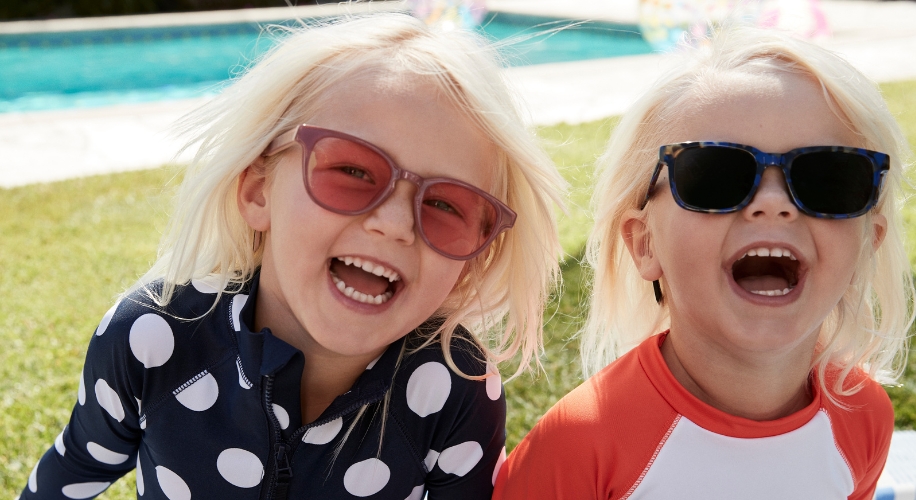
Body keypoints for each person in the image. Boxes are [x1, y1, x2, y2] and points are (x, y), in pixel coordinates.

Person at [22, 13, 564, 500]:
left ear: (473, 258)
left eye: (448, 204)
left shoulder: (451, 389)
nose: (395, 224)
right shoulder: (152, 337)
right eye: (352, 171)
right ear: (259, 190)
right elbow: (73, 468)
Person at [493, 25, 913, 500]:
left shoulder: (862, 417)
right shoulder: (579, 446)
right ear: (645, 243)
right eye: (715, 175)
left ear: (866, 246)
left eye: (829, 178)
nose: (773, 202)